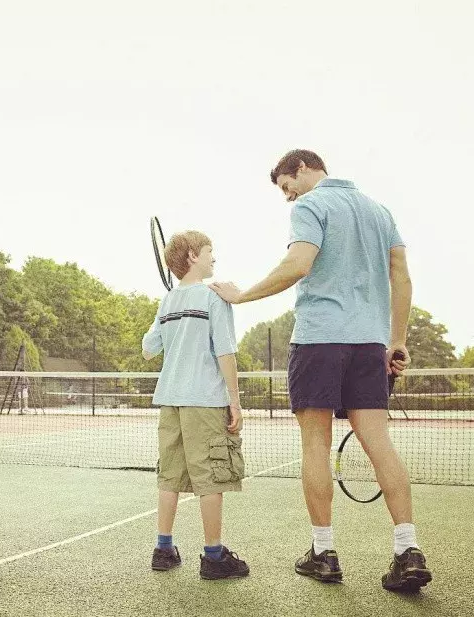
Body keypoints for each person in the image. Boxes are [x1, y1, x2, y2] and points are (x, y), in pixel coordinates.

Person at [209, 149, 431, 591]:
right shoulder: (378, 210)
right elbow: (401, 275)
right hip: (369, 344)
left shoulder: (313, 206)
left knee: (315, 443)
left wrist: (241, 296)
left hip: (318, 341)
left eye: (288, 189)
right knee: (379, 442)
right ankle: (408, 550)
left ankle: (323, 552)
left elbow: (298, 264)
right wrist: (397, 340)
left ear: (304, 169)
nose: (290, 199)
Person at [142, 230, 249, 580]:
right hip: (204, 400)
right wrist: (235, 400)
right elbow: (225, 350)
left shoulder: (167, 301)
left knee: (169, 476)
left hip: (170, 400)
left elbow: (148, 348)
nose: (213, 257)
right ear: (191, 256)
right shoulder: (214, 297)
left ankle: (163, 549)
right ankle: (214, 557)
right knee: (210, 478)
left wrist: (169, 311)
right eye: (209, 251)